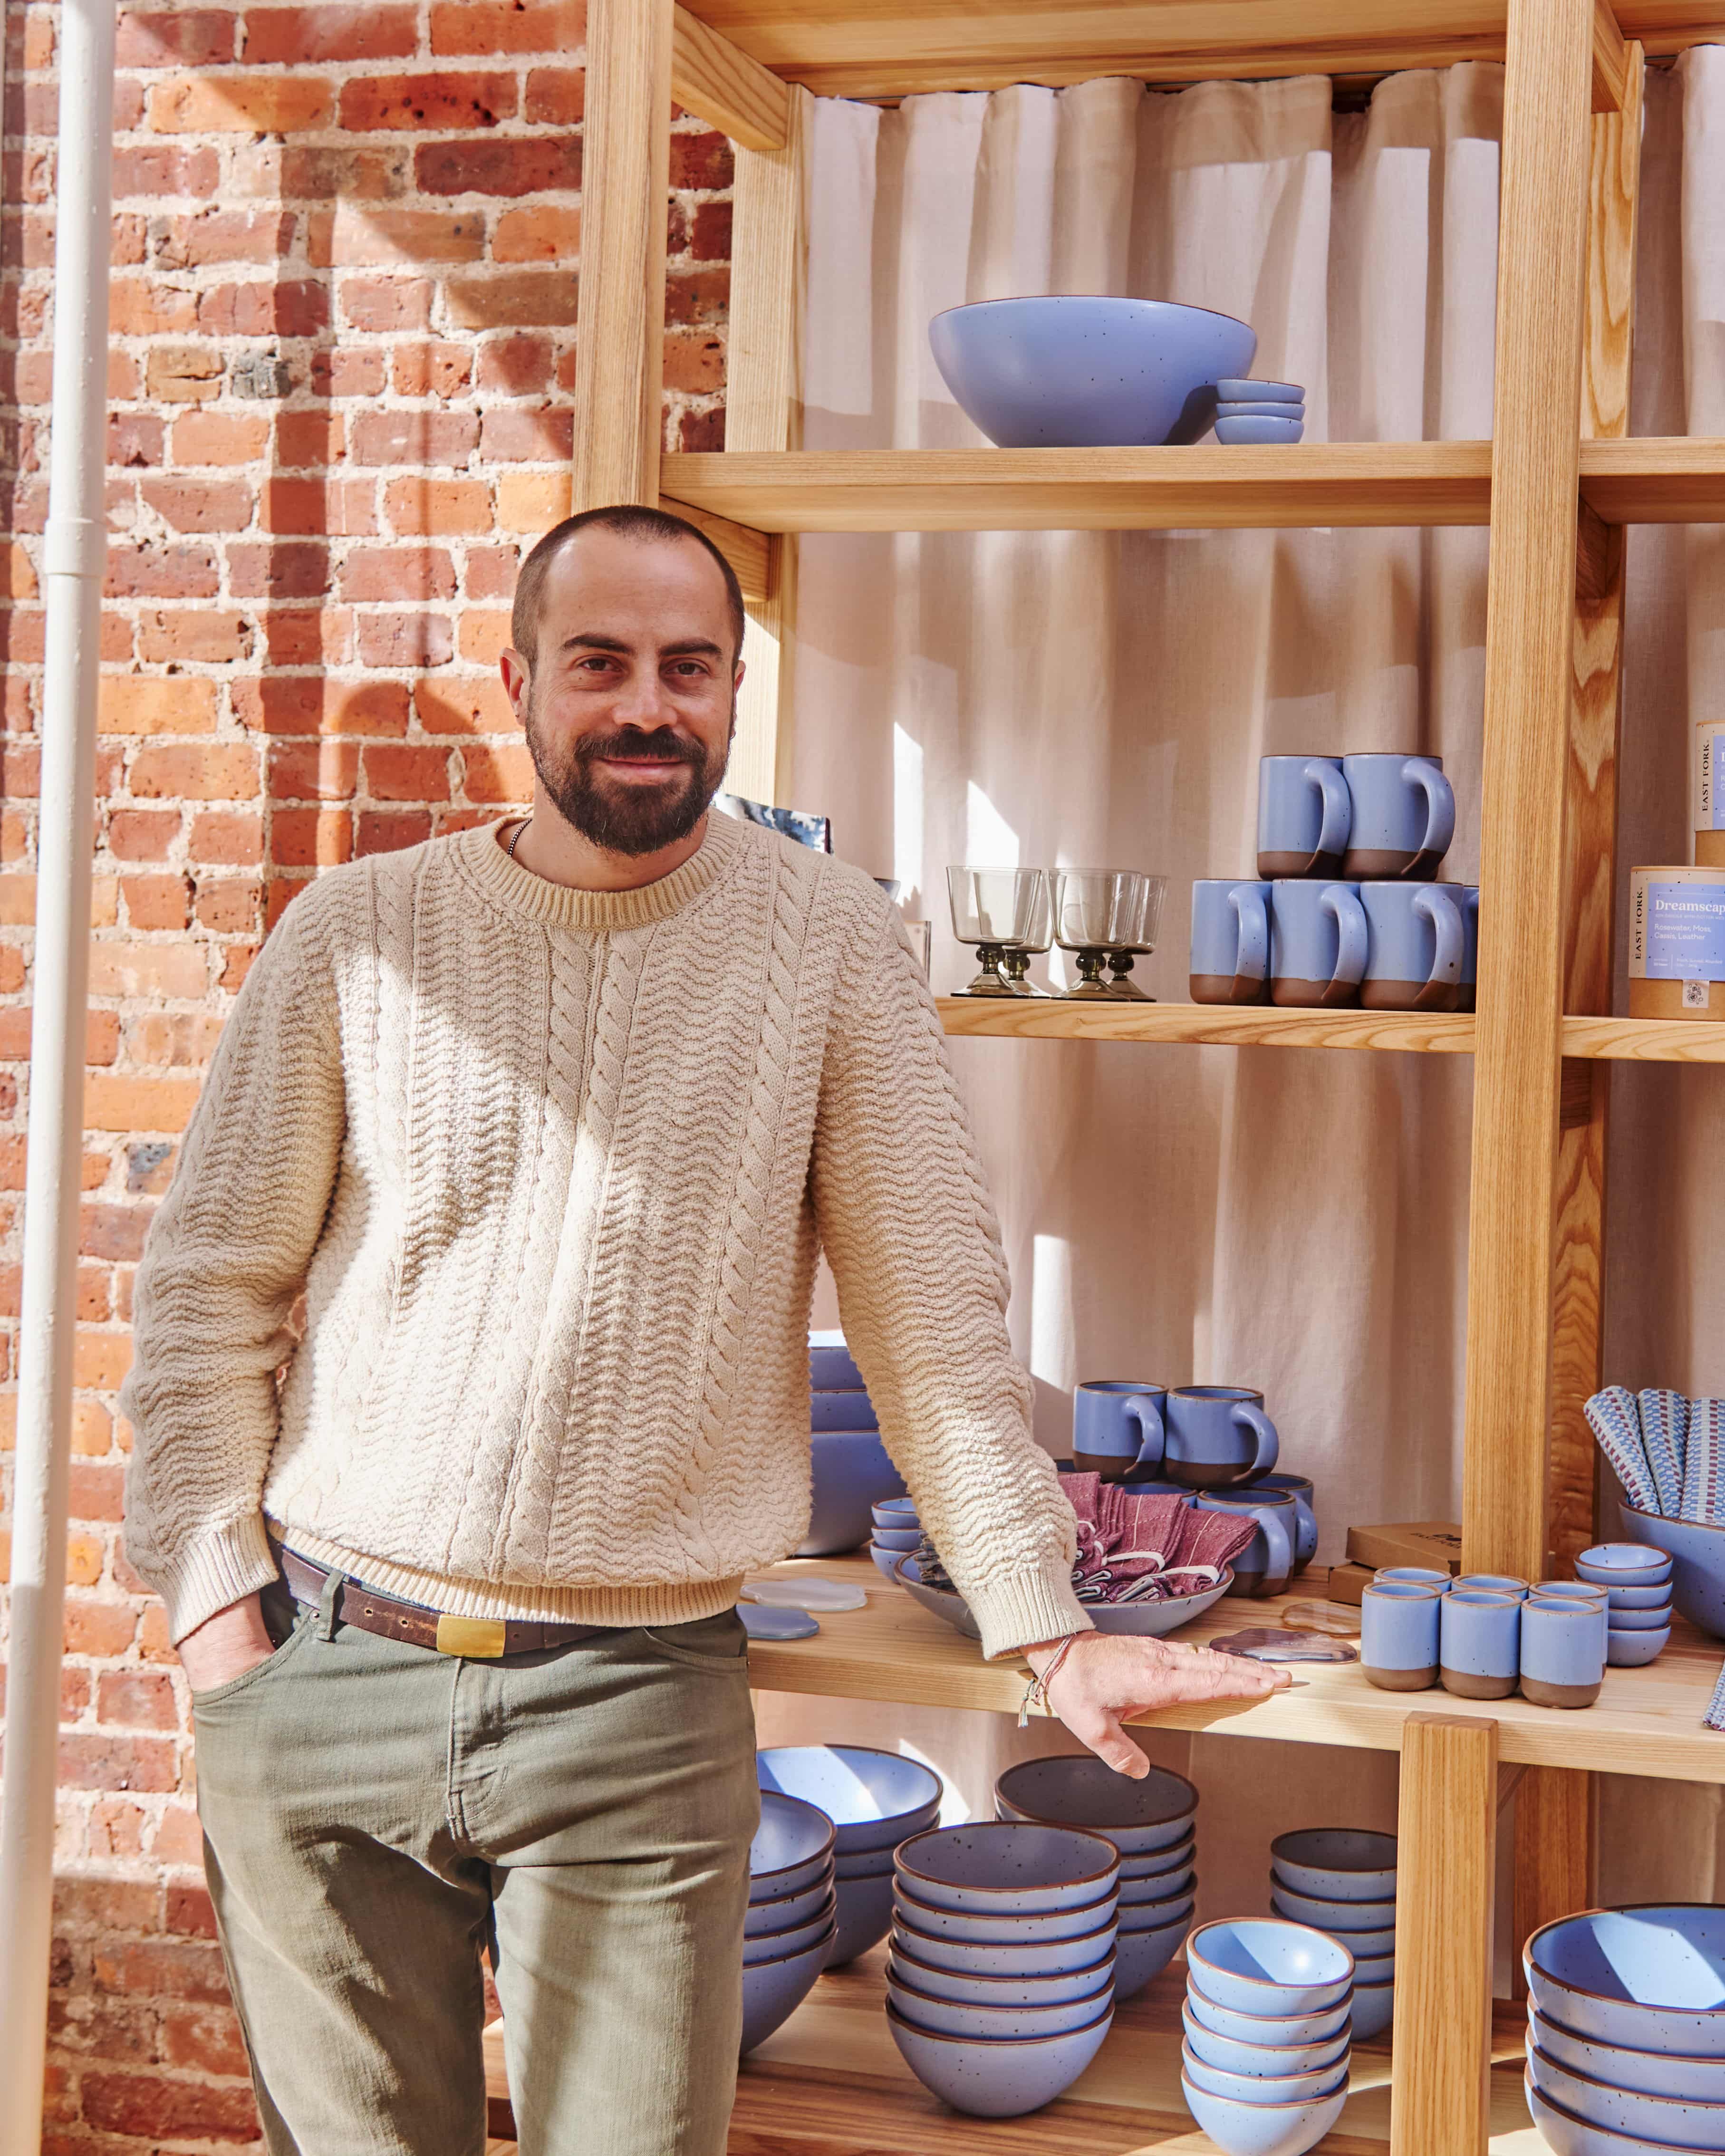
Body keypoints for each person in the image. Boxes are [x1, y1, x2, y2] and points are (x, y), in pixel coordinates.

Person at [121, 504, 1285, 2156]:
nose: (646, 706)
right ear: (522, 681)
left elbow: (935, 1334)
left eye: (690, 667)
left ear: (738, 690)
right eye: (599, 664)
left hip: (638, 1705)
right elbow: (206, 1293)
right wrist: (214, 1622)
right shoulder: (357, 936)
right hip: (326, 1673)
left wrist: (1044, 1622)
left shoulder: (830, 944)